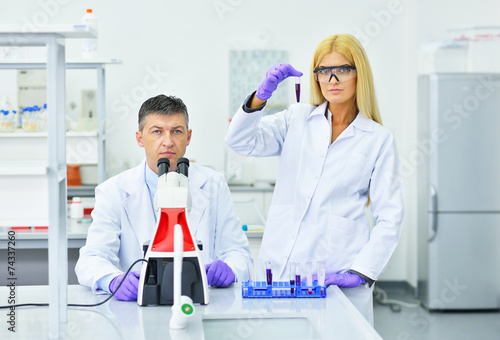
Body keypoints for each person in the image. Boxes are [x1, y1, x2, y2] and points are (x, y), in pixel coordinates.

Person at [225, 34, 404, 324]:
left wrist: (359, 272)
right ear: (316, 77)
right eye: (323, 71)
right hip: (279, 271)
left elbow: (391, 217)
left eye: (343, 69)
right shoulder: (297, 119)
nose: (332, 78)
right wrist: (261, 95)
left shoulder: (378, 139)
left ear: (360, 74)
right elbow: (241, 141)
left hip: (337, 275)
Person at [76, 94, 252, 301]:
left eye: (176, 131)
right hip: (138, 306)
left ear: (188, 137)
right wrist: (113, 280)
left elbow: (239, 252)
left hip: (201, 302)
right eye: (157, 131)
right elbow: (92, 257)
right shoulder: (113, 190)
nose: (167, 142)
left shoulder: (214, 184)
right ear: (140, 138)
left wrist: (229, 269)